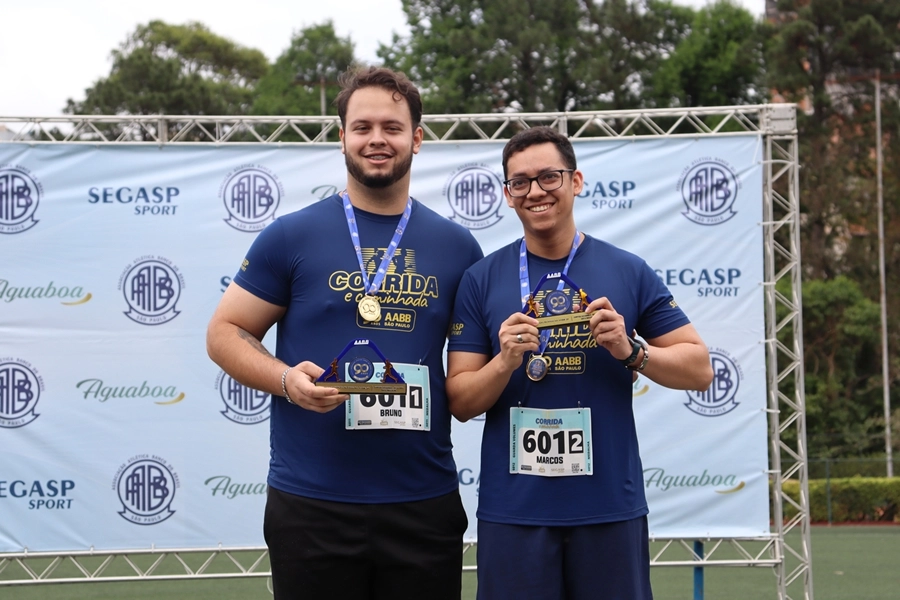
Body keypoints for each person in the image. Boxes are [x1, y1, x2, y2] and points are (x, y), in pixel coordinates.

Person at [206, 66, 483, 600]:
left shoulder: (457, 247)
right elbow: (225, 332)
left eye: (392, 127)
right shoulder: (291, 235)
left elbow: (473, 370)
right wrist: (287, 380)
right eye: (362, 127)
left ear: (417, 139)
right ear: (342, 138)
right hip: (312, 506)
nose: (377, 139)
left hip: (422, 502)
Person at [446, 126, 713, 600]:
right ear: (508, 196)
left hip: (608, 507)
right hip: (515, 512)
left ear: (576, 181)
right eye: (520, 182)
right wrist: (504, 362)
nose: (536, 191)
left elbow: (699, 368)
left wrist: (632, 351)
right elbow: (462, 401)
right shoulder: (480, 279)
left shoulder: (626, 269)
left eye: (549, 177)